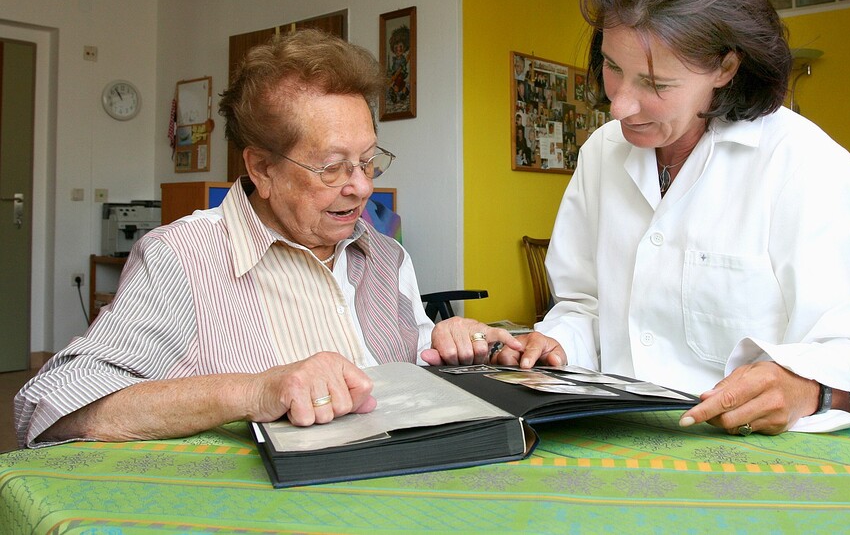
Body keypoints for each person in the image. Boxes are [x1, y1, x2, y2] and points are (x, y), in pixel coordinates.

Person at [14, 29, 551, 449]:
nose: (363, 187)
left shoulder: (386, 255)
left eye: (367, 160)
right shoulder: (180, 257)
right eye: (332, 167)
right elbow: (51, 406)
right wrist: (254, 390)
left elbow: (405, 356)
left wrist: (450, 342)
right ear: (260, 169)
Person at [524, 0, 850, 436]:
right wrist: (554, 346)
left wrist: (806, 388)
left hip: (762, 464)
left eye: (656, 84)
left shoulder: (803, 163)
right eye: (612, 68)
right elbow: (583, 307)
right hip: (618, 441)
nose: (619, 105)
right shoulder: (603, 152)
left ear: (725, 70)